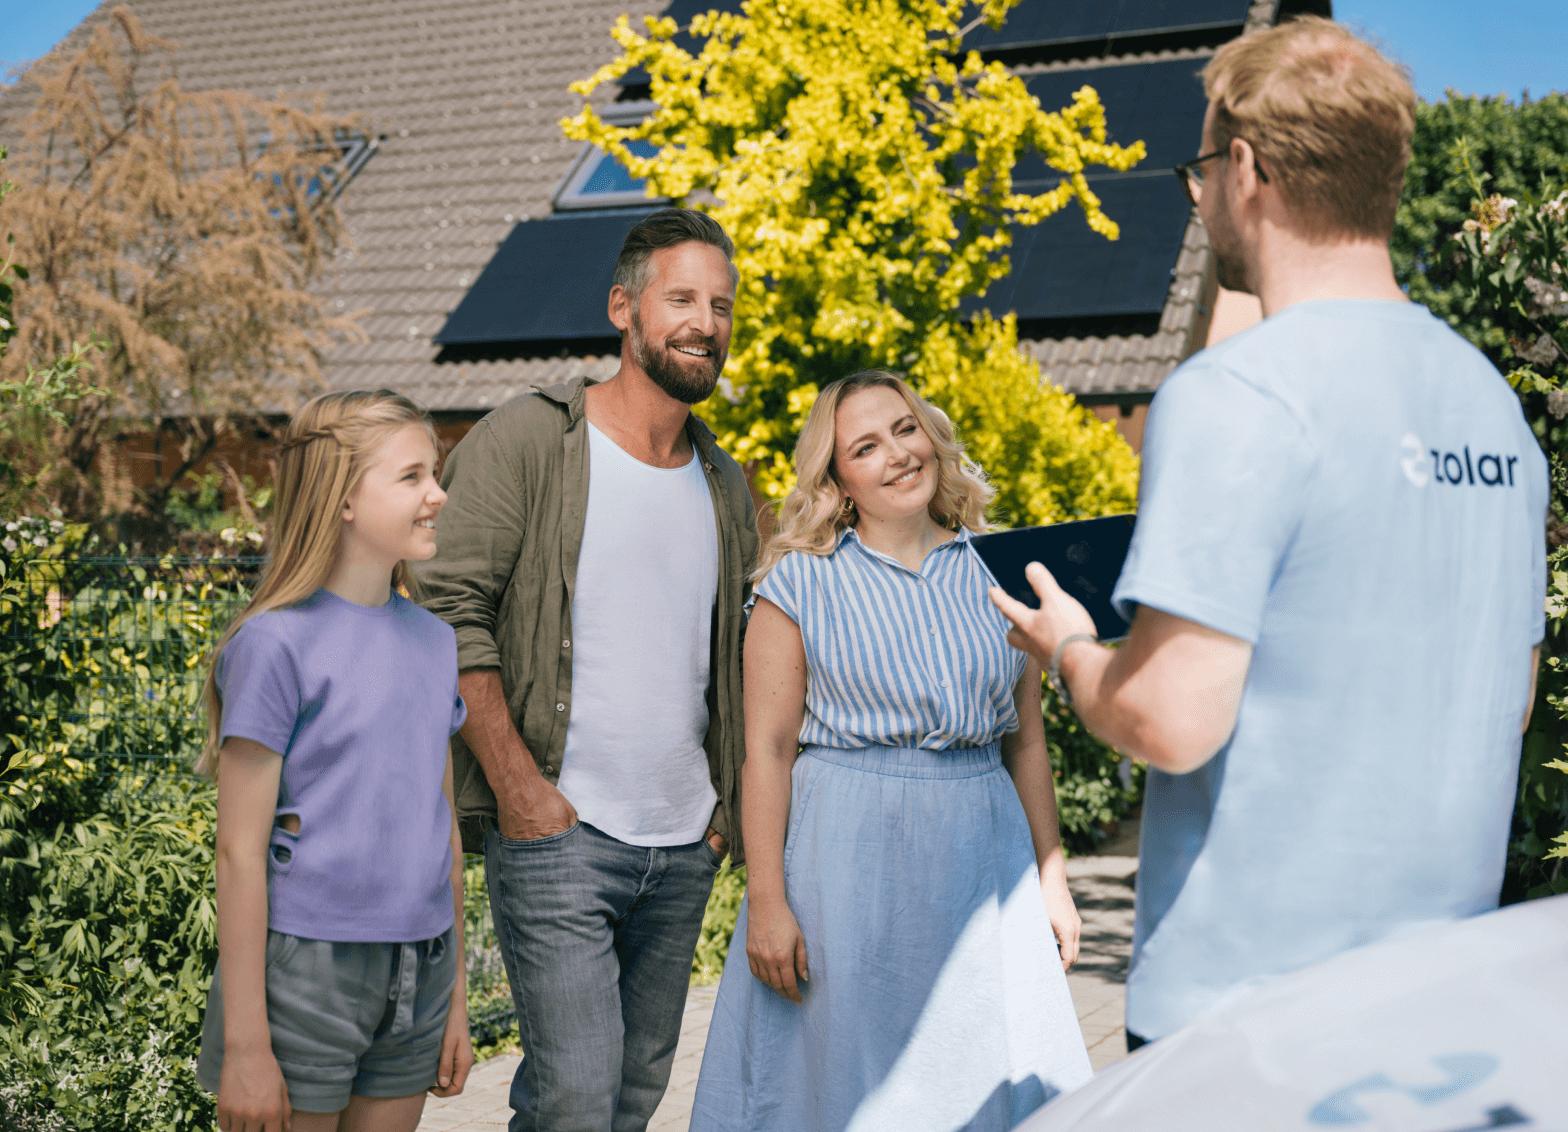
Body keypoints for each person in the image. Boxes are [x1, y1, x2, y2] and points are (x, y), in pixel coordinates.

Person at [992, 17, 1548, 1049]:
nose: (1199, 195)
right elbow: (1503, 701)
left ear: (1242, 168)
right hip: (1432, 1007)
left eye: (1199, 166)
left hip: (1246, 1019)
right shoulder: (1490, 410)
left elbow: (1168, 717)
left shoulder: (1233, 394)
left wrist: (1068, 646)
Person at [414, 207, 758, 1131]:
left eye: (722, 305)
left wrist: (721, 820)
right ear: (624, 308)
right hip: (562, 833)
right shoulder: (531, 440)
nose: (705, 322)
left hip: (683, 844)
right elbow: (449, 612)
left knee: (635, 1099)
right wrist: (521, 790)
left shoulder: (725, 485)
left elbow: (736, 658)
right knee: (572, 1098)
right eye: (681, 297)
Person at [691, 370, 1093, 1132]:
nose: (897, 455)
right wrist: (769, 905)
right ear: (838, 480)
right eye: (866, 447)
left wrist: (1054, 877)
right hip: (845, 863)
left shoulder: (1001, 569)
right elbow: (767, 753)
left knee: (986, 1071)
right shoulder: (798, 583)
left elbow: (1027, 741)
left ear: (932, 436)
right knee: (850, 1086)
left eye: (905, 429)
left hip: (984, 856)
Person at [195, 389, 473, 1132]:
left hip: (421, 966)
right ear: (343, 499)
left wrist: (456, 1003)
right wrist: (247, 1047)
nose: (436, 494)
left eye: (434, 473)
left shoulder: (436, 642)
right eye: (412, 476)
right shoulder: (273, 646)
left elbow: (440, 831)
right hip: (305, 975)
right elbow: (237, 853)